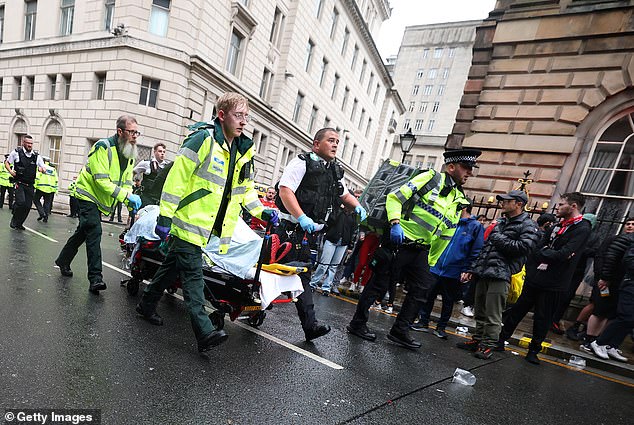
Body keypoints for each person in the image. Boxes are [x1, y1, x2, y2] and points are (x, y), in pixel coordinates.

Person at [136, 92, 276, 353]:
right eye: (238, 115)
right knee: (192, 277)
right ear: (221, 115)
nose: (244, 122)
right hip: (187, 222)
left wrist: (261, 212)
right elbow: (177, 178)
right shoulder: (203, 139)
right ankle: (204, 332)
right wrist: (166, 214)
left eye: (246, 116)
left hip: (208, 228)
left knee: (171, 268)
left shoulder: (243, 150)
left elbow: (244, 190)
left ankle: (146, 305)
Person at [347, 148, 479, 349]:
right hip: (400, 241)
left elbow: (447, 232)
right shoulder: (430, 178)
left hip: (422, 250)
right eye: (466, 168)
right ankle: (357, 324)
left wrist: (432, 260)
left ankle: (400, 330)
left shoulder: (457, 197)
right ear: (452, 167)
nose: (470, 173)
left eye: (471, 169)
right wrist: (395, 223)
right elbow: (395, 197)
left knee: (422, 289)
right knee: (379, 285)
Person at [276, 127, 366, 342]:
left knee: (302, 276)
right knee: (275, 274)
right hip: (289, 230)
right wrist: (301, 217)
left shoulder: (333, 170)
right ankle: (256, 308)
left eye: (337, 141)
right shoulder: (301, 163)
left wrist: (358, 207)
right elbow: (285, 190)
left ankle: (310, 326)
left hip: (309, 235)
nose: (335, 145)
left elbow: (344, 194)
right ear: (317, 144)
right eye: (331, 140)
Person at [498, 192, 591, 364]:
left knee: (543, 317)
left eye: (562, 204)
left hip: (555, 282)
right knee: (518, 310)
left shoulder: (582, 228)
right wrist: (548, 253)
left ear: (573, 206)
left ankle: (534, 350)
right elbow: (538, 247)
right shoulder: (557, 225)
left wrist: (549, 253)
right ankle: (501, 339)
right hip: (536, 277)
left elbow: (563, 254)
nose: (558, 207)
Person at [55, 115, 141, 293]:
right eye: (132, 132)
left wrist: (128, 198)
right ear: (120, 131)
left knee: (82, 232)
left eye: (136, 132)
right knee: (94, 230)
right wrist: (126, 196)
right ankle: (96, 278)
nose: (135, 136)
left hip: (100, 198)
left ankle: (63, 260)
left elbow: (126, 182)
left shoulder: (129, 153)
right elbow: (101, 180)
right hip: (87, 194)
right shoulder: (103, 147)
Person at [456, 190, 539, 359]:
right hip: (484, 271)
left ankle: (488, 345)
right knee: (480, 310)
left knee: (493, 314)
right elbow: (486, 248)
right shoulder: (501, 222)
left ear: (519, 204)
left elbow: (522, 248)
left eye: (507, 201)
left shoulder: (528, 225)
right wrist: (474, 268)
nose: (502, 203)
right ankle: (478, 339)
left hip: (501, 274)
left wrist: (498, 236)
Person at [411, 203, 484, 338]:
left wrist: (468, 269)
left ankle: (441, 327)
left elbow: (476, 250)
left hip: (454, 269)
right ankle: (423, 321)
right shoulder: (449, 220)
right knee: (428, 295)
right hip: (436, 265)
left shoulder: (475, 226)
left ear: (463, 207)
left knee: (448, 300)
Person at [590, 231, 634, 362]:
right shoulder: (626, 240)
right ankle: (599, 342)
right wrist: (605, 277)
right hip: (629, 282)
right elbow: (621, 259)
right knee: (625, 316)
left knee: (631, 319)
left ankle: (612, 345)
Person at [310, 202, 358, 296]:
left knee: (334, 266)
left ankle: (326, 287)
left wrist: (350, 246)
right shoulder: (337, 211)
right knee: (324, 264)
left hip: (343, 242)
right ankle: (313, 283)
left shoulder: (353, 215)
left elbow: (354, 231)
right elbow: (330, 221)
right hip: (332, 239)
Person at [5, 135, 46, 230]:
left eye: (31, 143)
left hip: (30, 185)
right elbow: (7, 162)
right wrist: (11, 171)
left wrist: (42, 169)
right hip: (19, 183)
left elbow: (43, 167)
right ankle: (14, 220)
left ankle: (19, 224)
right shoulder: (16, 153)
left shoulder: (36, 156)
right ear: (23, 143)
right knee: (21, 202)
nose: (30, 145)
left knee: (27, 206)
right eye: (28, 143)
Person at [134, 142, 170, 207]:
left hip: (159, 199)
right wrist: (133, 182)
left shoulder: (167, 167)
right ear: (154, 152)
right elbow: (133, 172)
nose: (162, 153)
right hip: (146, 197)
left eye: (164, 152)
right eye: (160, 151)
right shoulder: (146, 163)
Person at [33, 157, 59, 223]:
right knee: (47, 203)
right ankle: (45, 218)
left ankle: (42, 213)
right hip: (50, 188)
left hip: (41, 187)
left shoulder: (41, 167)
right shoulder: (53, 169)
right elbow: (56, 180)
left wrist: (34, 186)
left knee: (36, 200)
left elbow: (37, 177)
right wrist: (55, 189)